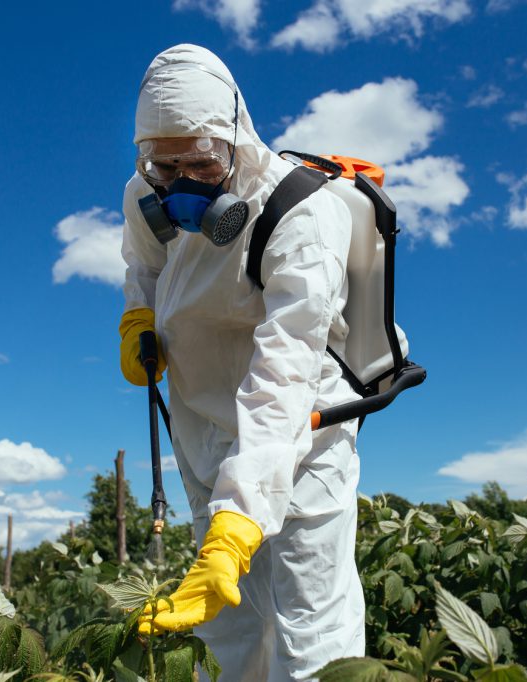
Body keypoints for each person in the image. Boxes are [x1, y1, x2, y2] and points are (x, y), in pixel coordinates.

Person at [118, 44, 366, 680]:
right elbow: (143, 268)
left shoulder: (303, 212)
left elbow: (287, 369)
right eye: (163, 168)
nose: (181, 188)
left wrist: (239, 521)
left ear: (234, 139)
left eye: (200, 165)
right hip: (201, 427)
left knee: (309, 628)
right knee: (225, 631)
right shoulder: (145, 195)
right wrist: (138, 316)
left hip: (302, 431)